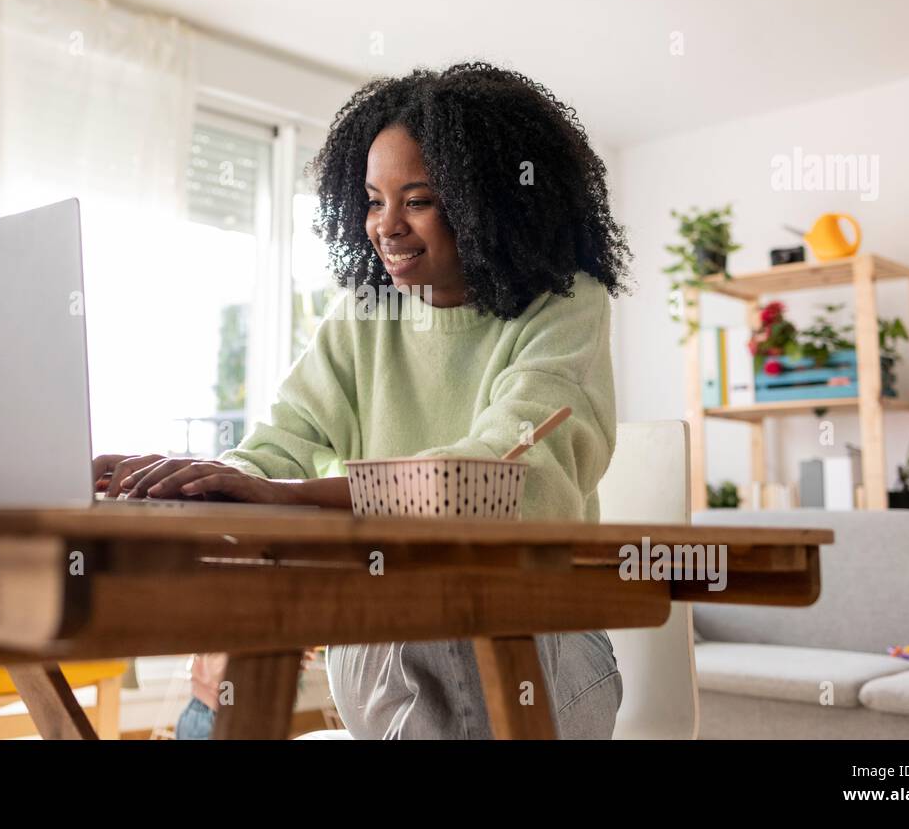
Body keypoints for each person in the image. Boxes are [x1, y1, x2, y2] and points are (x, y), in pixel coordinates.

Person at [95, 61, 633, 739]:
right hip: (390, 646)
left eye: (418, 200)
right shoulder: (363, 314)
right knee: (233, 637)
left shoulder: (564, 304)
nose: (387, 227)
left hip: (546, 650)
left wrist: (291, 498)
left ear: (486, 201)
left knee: (423, 607)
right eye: (374, 201)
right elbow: (273, 449)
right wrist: (184, 484)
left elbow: (501, 479)